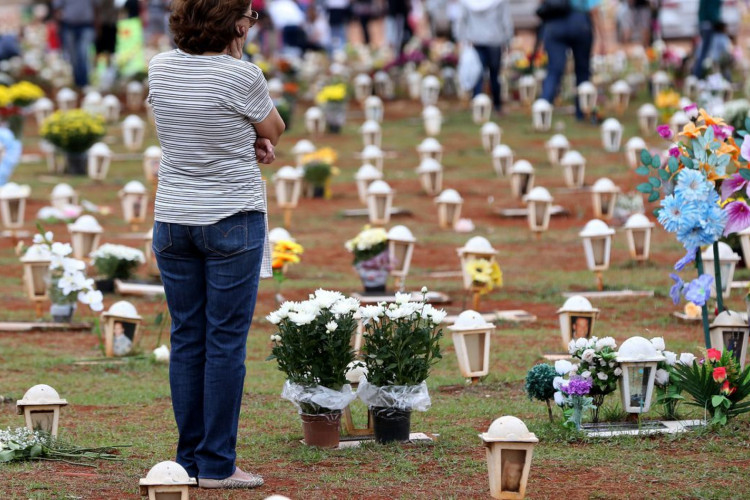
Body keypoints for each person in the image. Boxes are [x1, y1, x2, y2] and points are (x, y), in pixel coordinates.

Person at [148, 0, 285, 489]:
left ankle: (188, 459)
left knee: (187, 338)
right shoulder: (241, 75)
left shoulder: (160, 67)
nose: (251, 23)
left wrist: (238, 138)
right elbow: (274, 129)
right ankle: (218, 464)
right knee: (224, 341)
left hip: (173, 219)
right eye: (248, 16)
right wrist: (251, 140)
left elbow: (181, 131)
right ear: (234, 23)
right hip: (231, 217)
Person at [540, 0, 605, 120]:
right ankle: (583, 111)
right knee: (582, 70)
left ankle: (543, 111)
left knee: (554, 70)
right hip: (579, 23)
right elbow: (593, 8)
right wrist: (602, 37)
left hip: (554, 23)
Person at [452, 0, 513, 114]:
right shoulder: (500, 2)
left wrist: (461, 38)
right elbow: (506, 20)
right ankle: (497, 105)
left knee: (477, 74)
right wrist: (508, 39)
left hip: (475, 41)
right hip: (495, 40)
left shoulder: (467, 2)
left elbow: (461, 21)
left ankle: (477, 105)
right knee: (494, 75)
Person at [53, 0, 98, 88]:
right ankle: (77, 83)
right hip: (69, 26)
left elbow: (96, 7)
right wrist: (58, 25)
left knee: (83, 54)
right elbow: (57, 8)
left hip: (87, 25)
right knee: (73, 57)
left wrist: (97, 25)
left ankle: (84, 83)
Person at [692, 0, 722, 78]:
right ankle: (698, 74)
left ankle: (704, 73)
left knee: (705, 50)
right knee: (706, 51)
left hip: (703, 24)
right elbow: (713, 11)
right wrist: (716, 20)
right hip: (709, 24)